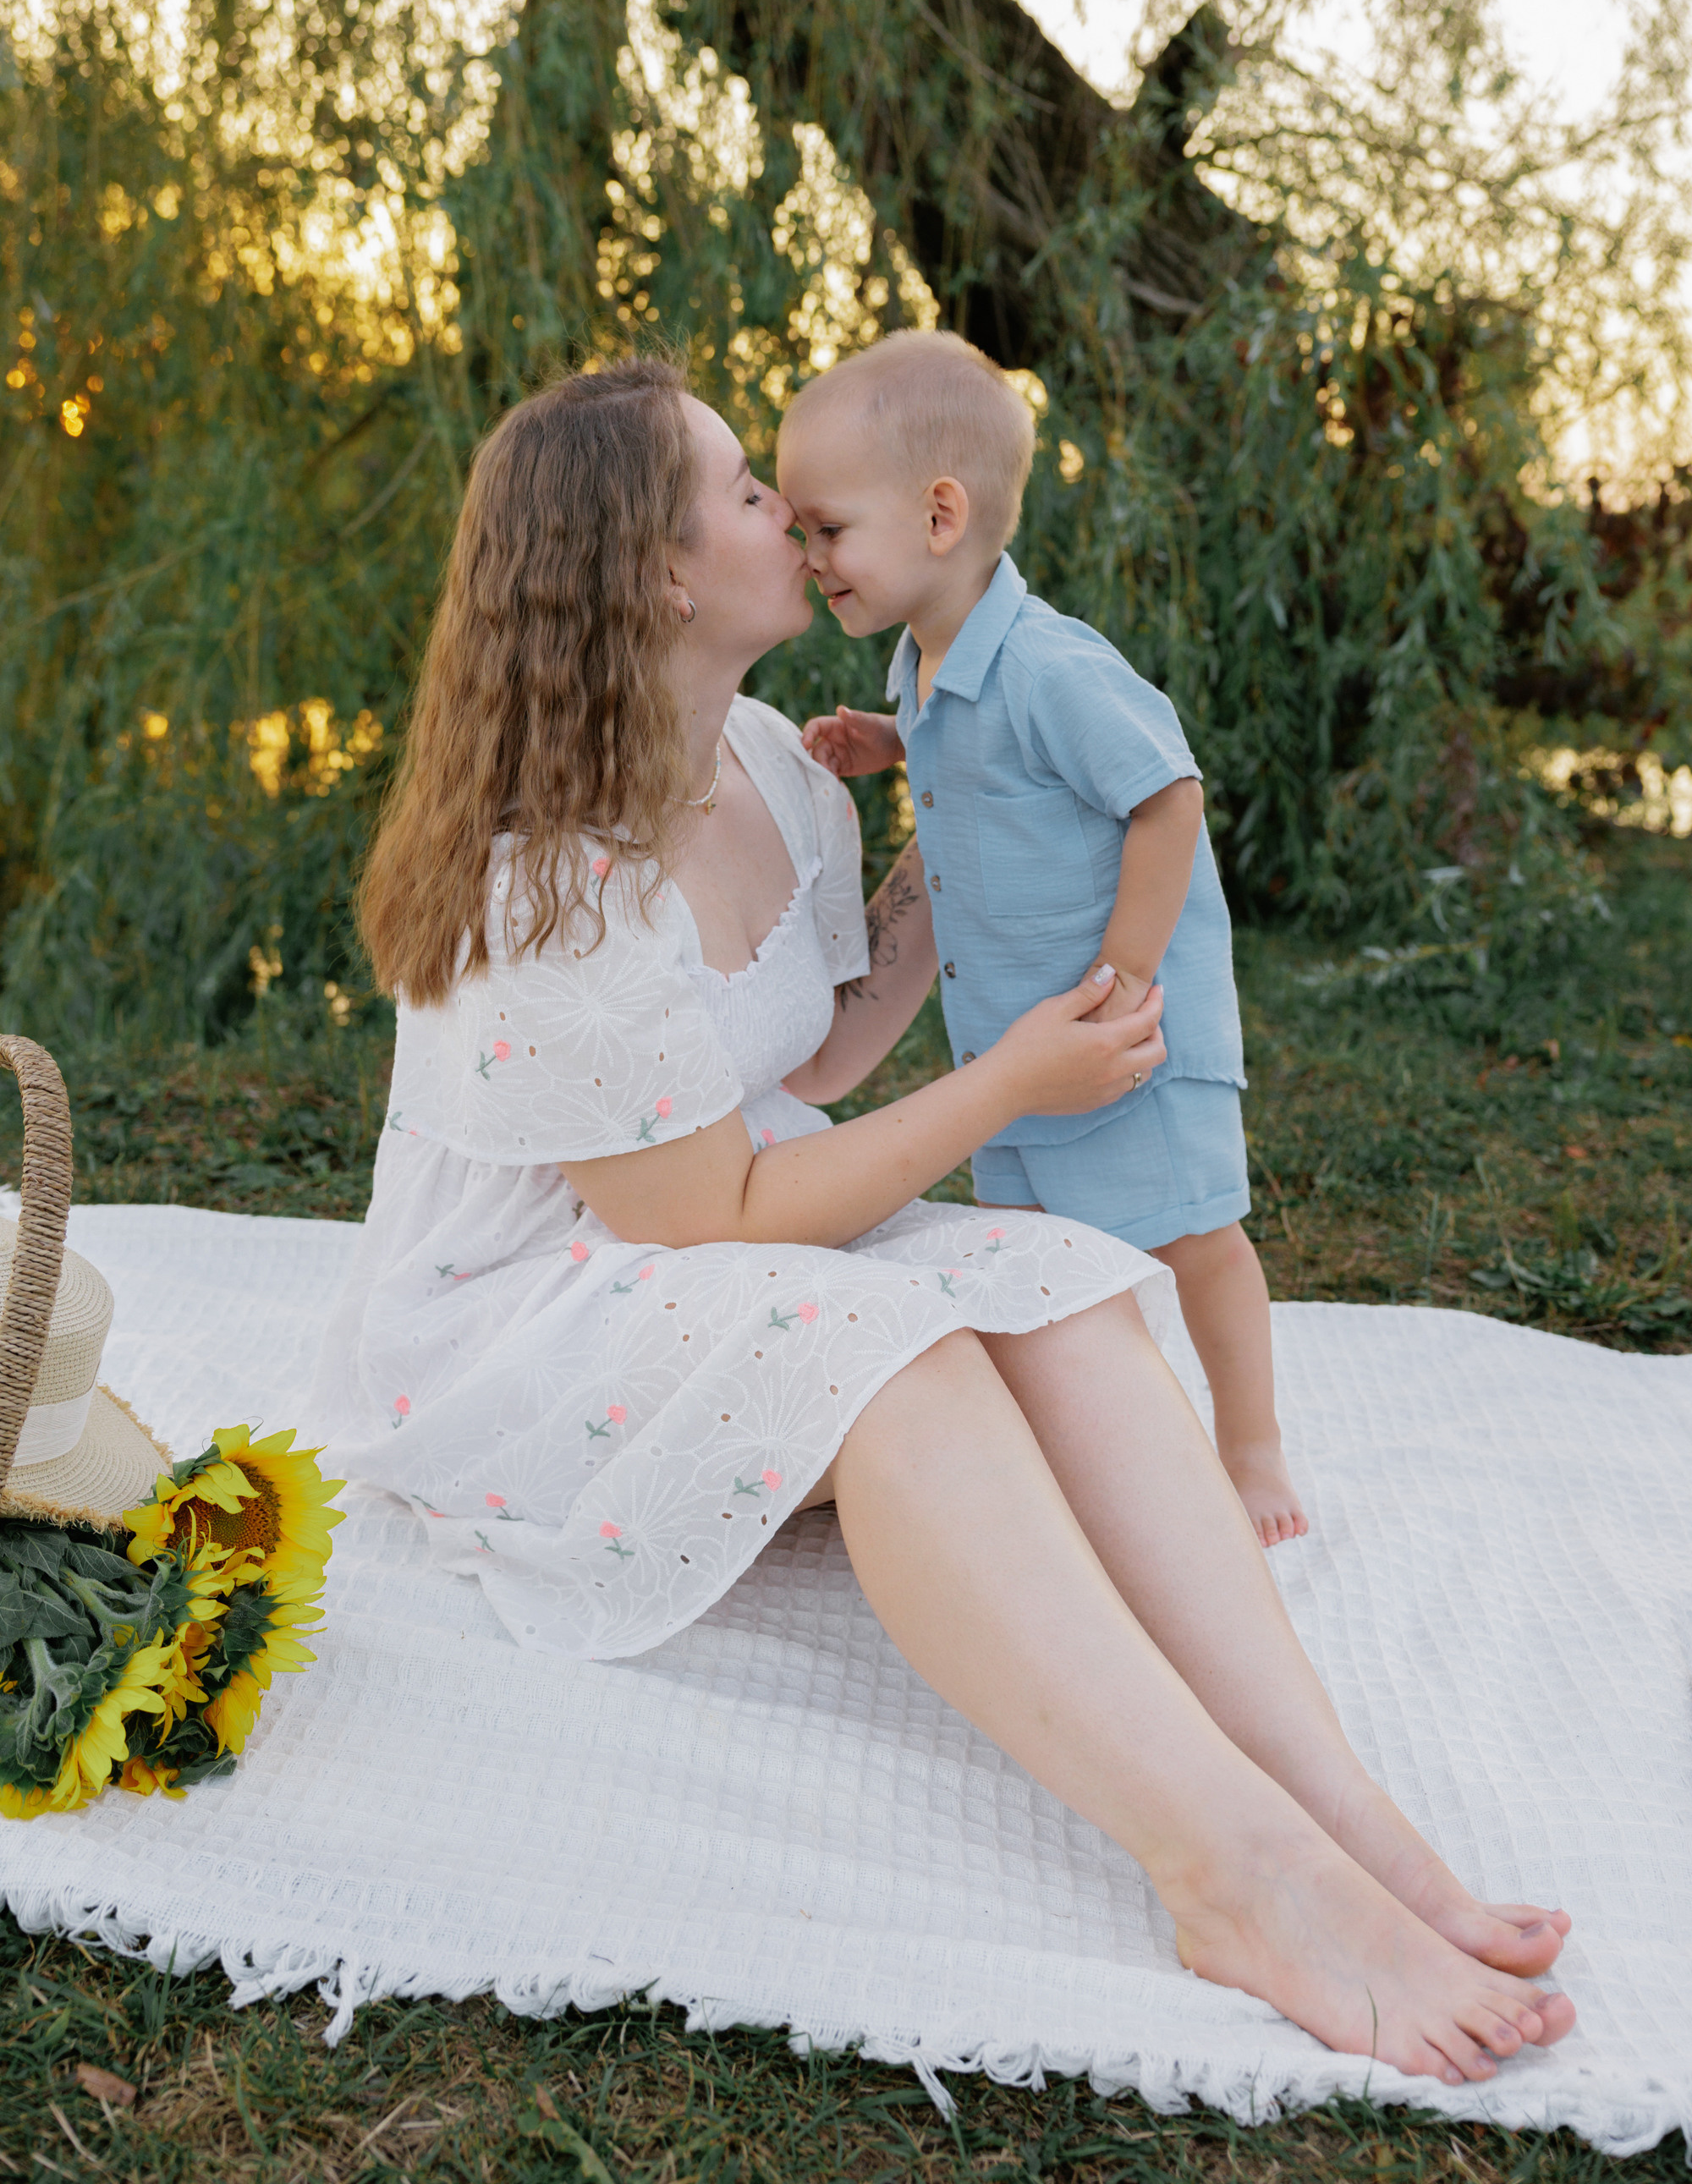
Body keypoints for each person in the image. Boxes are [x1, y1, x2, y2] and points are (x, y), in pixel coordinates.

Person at [315, 354, 1574, 2086]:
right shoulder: (550, 881)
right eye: (746, 493)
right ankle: (1229, 1869)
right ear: (663, 575)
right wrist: (1001, 1093)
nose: (790, 511)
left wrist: (948, 845)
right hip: (544, 1303)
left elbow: (814, 1053)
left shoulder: (774, 762)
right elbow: (708, 1213)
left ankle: (1338, 1803)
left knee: (1057, 1295)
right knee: (900, 1363)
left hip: (721, 1208)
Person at [783, 329, 1306, 1546]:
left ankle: (1251, 1440)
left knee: (1197, 1235)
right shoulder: (930, 661)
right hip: (1015, 1047)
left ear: (940, 514)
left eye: (828, 529)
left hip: (1128, 1034)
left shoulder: (1057, 668)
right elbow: (975, 749)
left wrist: (1126, 967)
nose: (810, 559)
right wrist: (887, 738)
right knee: (1034, 1252)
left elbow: (1165, 793)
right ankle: (1082, 1434)